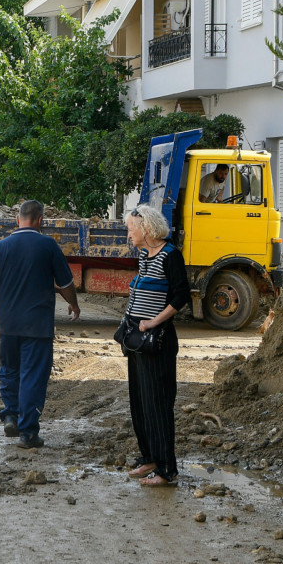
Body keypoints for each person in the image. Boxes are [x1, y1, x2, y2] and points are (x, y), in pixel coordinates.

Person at [0, 200, 80, 448]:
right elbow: (66, 284)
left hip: (8, 325)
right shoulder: (48, 245)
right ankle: (28, 433)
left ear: (17, 219)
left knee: (10, 370)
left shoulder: (0, 248)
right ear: (41, 220)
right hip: (38, 326)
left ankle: (11, 415)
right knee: (33, 375)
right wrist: (74, 304)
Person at [122, 205, 190, 486]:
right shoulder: (143, 254)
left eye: (131, 228)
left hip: (157, 340)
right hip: (138, 341)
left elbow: (180, 296)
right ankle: (149, 456)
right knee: (140, 402)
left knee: (158, 404)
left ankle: (166, 470)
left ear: (146, 229)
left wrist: (152, 322)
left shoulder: (170, 255)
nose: (129, 234)